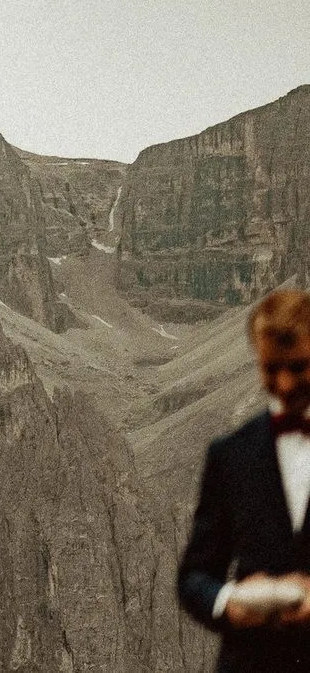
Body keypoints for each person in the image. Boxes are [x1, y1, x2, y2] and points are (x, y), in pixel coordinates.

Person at [178, 287, 310, 671]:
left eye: (298, 367)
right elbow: (195, 575)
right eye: (271, 369)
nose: (284, 385)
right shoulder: (231, 455)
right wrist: (227, 601)